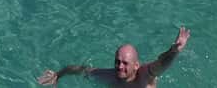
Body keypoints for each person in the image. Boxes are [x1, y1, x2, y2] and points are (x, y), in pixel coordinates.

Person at [37, 27, 190, 86]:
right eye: (117, 62)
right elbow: (81, 70)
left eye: (125, 63)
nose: (120, 66)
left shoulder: (145, 75)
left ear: (136, 65)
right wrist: (58, 74)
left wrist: (174, 51)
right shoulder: (109, 76)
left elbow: (162, 63)